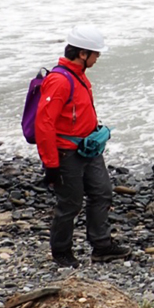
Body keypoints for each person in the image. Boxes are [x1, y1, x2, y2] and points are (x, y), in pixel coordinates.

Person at [36, 25, 132, 267]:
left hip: (88, 149)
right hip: (66, 153)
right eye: (95, 53)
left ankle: (102, 246)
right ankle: (61, 251)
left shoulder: (78, 75)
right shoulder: (59, 81)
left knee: (102, 193)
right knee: (70, 203)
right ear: (82, 54)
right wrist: (51, 164)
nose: (97, 58)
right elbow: (44, 124)